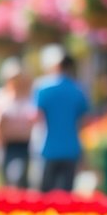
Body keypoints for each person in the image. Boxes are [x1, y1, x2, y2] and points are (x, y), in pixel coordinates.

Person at [33, 47, 89, 192]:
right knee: (66, 197)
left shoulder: (43, 88)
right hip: (71, 148)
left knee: (45, 196)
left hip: (48, 148)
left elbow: (36, 117)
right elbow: (84, 120)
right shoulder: (78, 90)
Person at [0, 58, 35, 188]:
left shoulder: (30, 97)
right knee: (8, 180)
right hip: (5, 147)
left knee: (21, 180)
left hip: (27, 146)